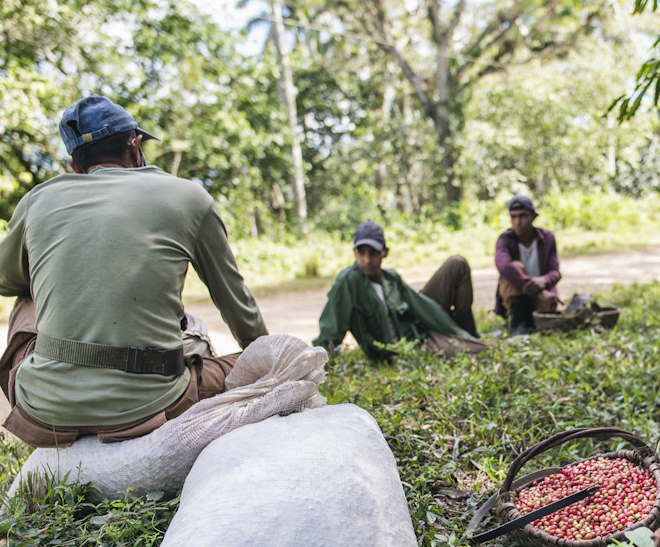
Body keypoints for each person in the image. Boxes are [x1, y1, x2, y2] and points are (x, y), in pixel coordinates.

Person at [0, 95, 268, 447]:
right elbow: (236, 305)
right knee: (212, 349)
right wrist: (266, 357)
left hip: (45, 408)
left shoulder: (38, 199)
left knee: (26, 293)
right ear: (134, 144)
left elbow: (5, 280)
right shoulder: (188, 197)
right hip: (154, 402)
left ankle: (58, 384)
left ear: (74, 164)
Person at [313, 220, 482, 360]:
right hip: (411, 345)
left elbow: (422, 306)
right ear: (354, 253)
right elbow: (331, 329)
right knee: (478, 349)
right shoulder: (348, 281)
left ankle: (467, 331)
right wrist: (319, 363)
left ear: (385, 252)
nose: (367, 260)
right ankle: (466, 340)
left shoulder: (390, 277)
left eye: (373, 253)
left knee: (457, 263)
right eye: (361, 253)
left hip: (420, 327)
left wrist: (457, 331)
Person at [494, 195, 561, 334]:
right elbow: (504, 266)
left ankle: (535, 322)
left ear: (533, 217)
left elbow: (555, 272)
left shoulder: (547, 238)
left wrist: (543, 280)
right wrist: (537, 290)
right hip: (518, 298)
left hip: (541, 298)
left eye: (522, 216)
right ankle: (519, 325)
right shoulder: (505, 239)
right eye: (513, 217)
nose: (518, 222)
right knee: (515, 267)